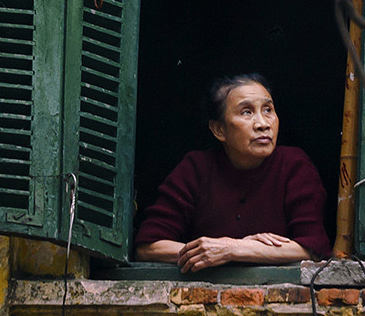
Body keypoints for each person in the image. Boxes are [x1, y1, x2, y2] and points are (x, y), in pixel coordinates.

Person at [134, 74, 333, 272]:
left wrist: (232, 249)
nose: (263, 124)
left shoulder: (293, 165)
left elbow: (313, 249)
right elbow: (147, 248)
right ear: (219, 130)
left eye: (268, 110)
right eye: (247, 112)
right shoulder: (196, 168)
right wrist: (216, 251)